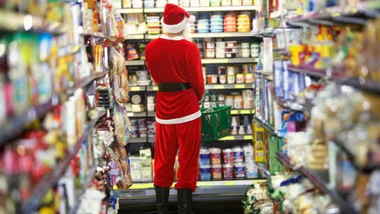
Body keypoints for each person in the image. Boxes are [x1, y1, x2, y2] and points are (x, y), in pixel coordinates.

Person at [144, 3, 204, 214]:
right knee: (188, 159)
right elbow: (198, 82)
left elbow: (154, 75)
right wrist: (197, 97)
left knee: (163, 159)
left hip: (164, 108)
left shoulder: (150, 48)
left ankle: (161, 208)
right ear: (183, 25)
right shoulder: (190, 48)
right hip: (187, 109)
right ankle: (184, 209)